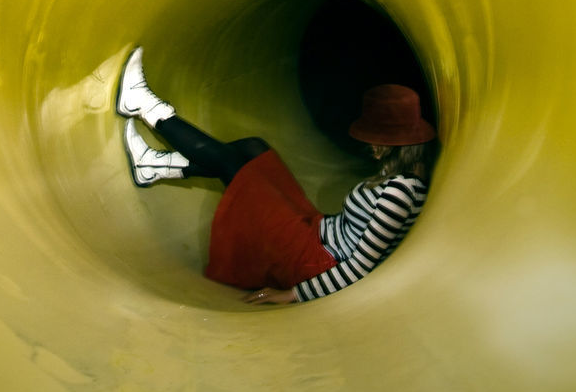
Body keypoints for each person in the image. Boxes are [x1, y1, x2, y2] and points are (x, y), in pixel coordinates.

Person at [116, 46, 436, 305]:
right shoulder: (404, 174)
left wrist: (291, 295)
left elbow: (360, 266)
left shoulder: (400, 191)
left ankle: (146, 106)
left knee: (235, 168)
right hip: (317, 229)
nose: (368, 145)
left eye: (374, 139)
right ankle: (154, 166)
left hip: (314, 259)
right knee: (256, 150)